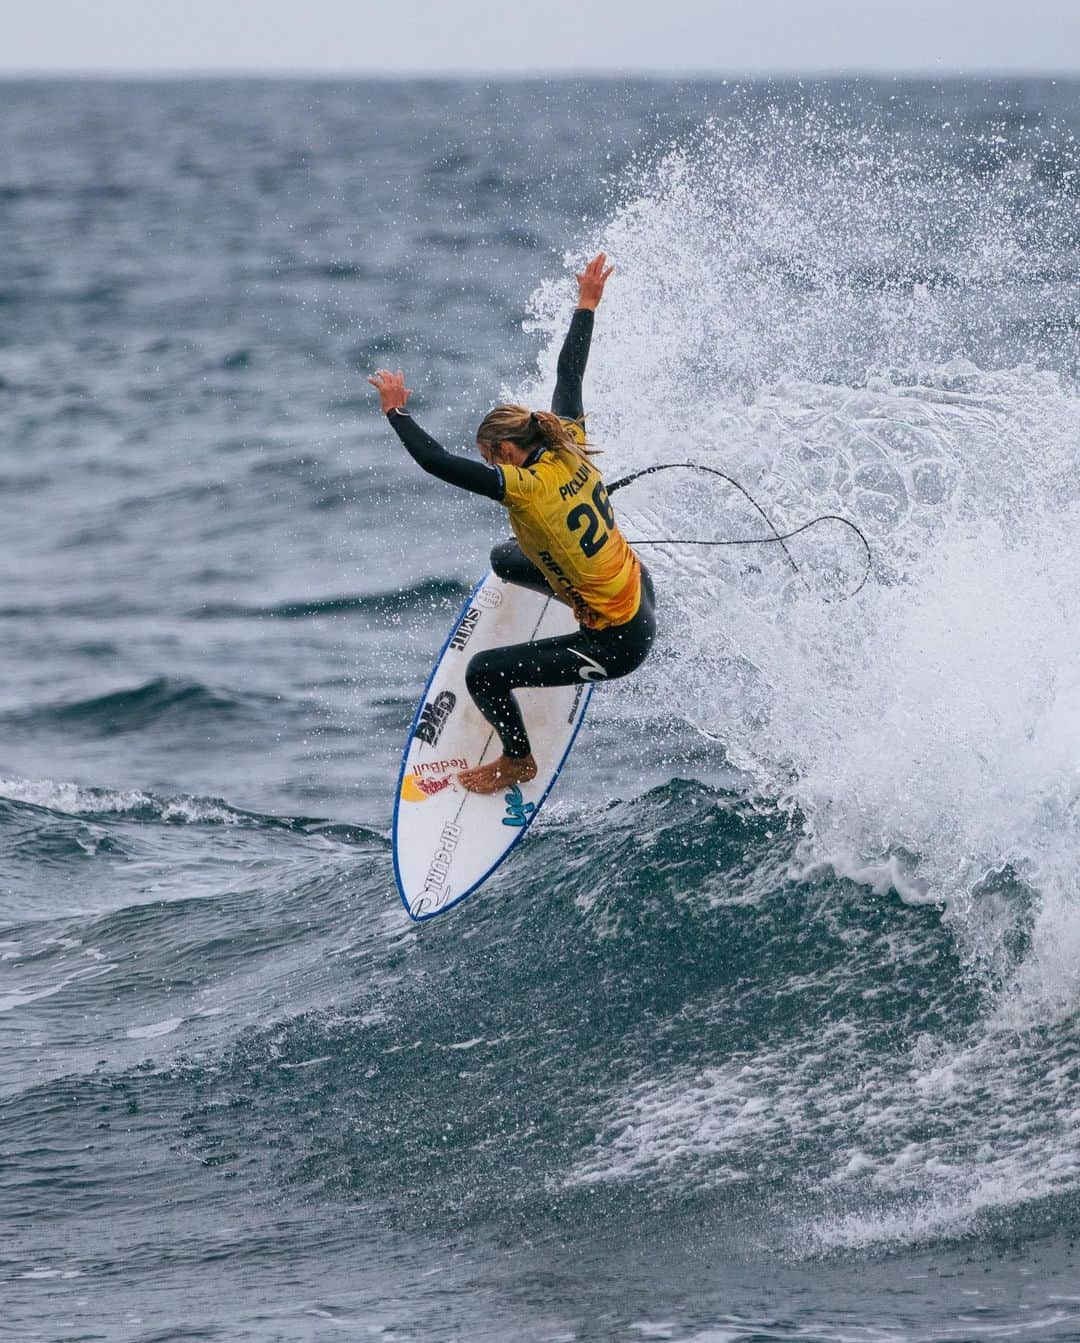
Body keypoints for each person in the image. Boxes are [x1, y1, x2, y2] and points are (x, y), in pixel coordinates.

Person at [368, 253, 656, 795]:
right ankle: (581, 596)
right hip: (641, 586)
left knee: (485, 672)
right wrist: (587, 301)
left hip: (620, 643)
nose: (491, 468)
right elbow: (569, 373)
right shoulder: (566, 441)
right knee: (504, 558)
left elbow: (435, 463)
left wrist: (396, 412)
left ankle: (517, 760)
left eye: (491, 458)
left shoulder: (525, 487)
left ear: (505, 451)